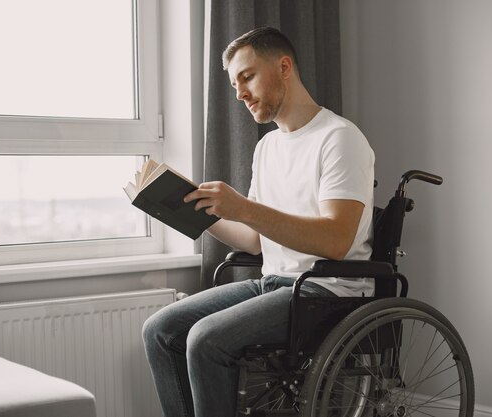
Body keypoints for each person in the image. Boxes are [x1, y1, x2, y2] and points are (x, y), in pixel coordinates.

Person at [142, 26, 375, 417]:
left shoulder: (340, 138)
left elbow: (336, 240)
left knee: (205, 340)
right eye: (235, 84)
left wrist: (243, 207)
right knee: (160, 330)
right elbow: (252, 240)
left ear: (284, 67)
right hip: (276, 284)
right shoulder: (267, 147)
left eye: (247, 77)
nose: (240, 94)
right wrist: (195, 212)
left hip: (327, 293)